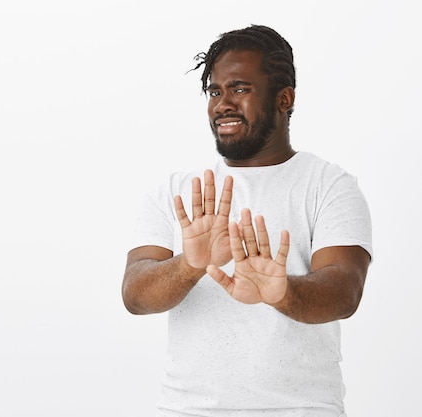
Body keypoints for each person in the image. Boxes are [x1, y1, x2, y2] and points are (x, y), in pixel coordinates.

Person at [121, 24, 372, 417]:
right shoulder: (179, 191)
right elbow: (135, 295)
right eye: (215, 91)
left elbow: (344, 291)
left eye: (239, 88)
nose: (222, 104)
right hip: (187, 410)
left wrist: (283, 293)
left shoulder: (329, 185)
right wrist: (189, 266)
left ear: (284, 98)